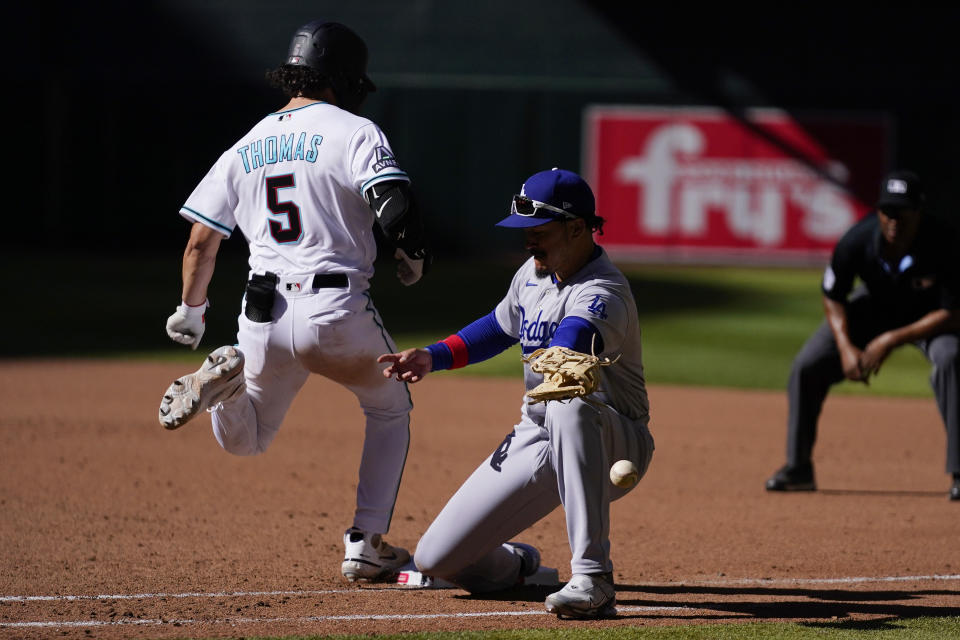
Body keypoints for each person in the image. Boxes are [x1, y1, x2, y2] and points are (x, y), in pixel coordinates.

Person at [157, 20, 432, 582]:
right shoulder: (354, 130)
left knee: (248, 439)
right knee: (389, 407)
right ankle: (365, 542)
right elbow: (393, 202)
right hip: (334, 311)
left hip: (260, 313)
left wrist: (191, 310)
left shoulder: (247, 142)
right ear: (344, 79)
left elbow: (200, 241)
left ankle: (226, 382)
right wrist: (411, 253)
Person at [378, 168, 655, 618]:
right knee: (438, 560)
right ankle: (518, 566)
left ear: (577, 228)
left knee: (568, 401)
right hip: (538, 432)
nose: (527, 241)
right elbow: (498, 327)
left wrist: (565, 350)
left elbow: (578, 333)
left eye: (538, 231)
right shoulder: (533, 273)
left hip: (612, 439)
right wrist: (433, 356)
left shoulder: (604, 291)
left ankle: (593, 578)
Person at [765, 170, 960, 501]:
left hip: (931, 318)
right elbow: (833, 295)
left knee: (951, 359)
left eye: (903, 211)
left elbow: (953, 312)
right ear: (879, 211)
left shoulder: (944, 241)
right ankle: (798, 468)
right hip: (875, 308)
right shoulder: (857, 240)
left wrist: (889, 340)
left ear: (919, 212)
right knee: (807, 365)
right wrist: (845, 347)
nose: (894, 220)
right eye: (888, 211)